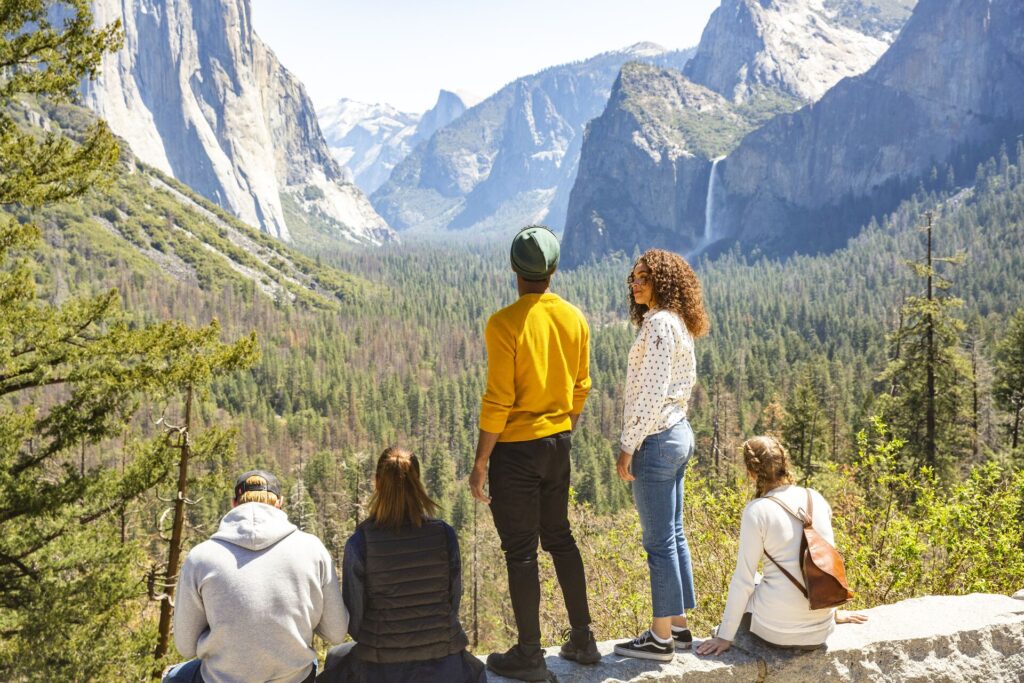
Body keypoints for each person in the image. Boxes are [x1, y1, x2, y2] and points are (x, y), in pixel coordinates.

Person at [469, 225, 600, 681]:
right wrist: (562, 430)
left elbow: (499, 399)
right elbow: (582, 386)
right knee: (560, 537)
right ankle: (583, 639)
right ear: (553, 270)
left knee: (521, 551)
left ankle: (529, 654)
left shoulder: (503, 324)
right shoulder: (574, 318)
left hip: (516, 451)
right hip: (557, 443)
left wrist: (482, 460)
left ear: (514, 270)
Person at [613, 248, 709, 662]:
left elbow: (649, 395)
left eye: (644, 278)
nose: (635, 284)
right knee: (675, 533)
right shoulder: (679, 324)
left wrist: (627, 445)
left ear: (663, 283)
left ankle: (660, 638)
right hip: (679, 432)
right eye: (633, 277)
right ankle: (682, 629)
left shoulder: (657, 327)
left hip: (655, 439)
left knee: (658, 543)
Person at [319, 447, 485, 683]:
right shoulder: (444, 535)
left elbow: (355, 625)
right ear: (418, 483)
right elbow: (452, 602)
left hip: (381, 670)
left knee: (336, 658)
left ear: (377, 483)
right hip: (445, 666)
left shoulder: (360, 543)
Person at [164, 470, 348, 683]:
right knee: (309, 662)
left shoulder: (200, 557)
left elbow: (185, 647)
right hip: (294, 679)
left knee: (174, 677)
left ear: (234, 504)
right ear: (279, 503)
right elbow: (336, 633)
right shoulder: (313, 550)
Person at [695, 436, 867, 656]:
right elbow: (825, 562)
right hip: (822, 630)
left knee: (753, 579)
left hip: (777, 631)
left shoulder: (757, 510)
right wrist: (832, 613)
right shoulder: (815, 498)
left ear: (751, 472)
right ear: (786, 463)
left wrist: (724, 636)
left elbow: (743, 581)